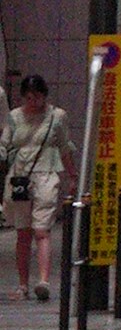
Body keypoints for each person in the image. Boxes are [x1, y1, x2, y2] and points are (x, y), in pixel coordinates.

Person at [5, 75, 76, 306]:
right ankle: (23, 285)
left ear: (45, 95)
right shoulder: (14, 117)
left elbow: (65, 148)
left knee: (42, 229)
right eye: (28, 97)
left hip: (47, 175)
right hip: (19, 179)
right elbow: (4, 145)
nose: (33, 101)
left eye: (37, 96)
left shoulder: (57, 117)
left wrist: (72, 175)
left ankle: (43, 281)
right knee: (22, 232)